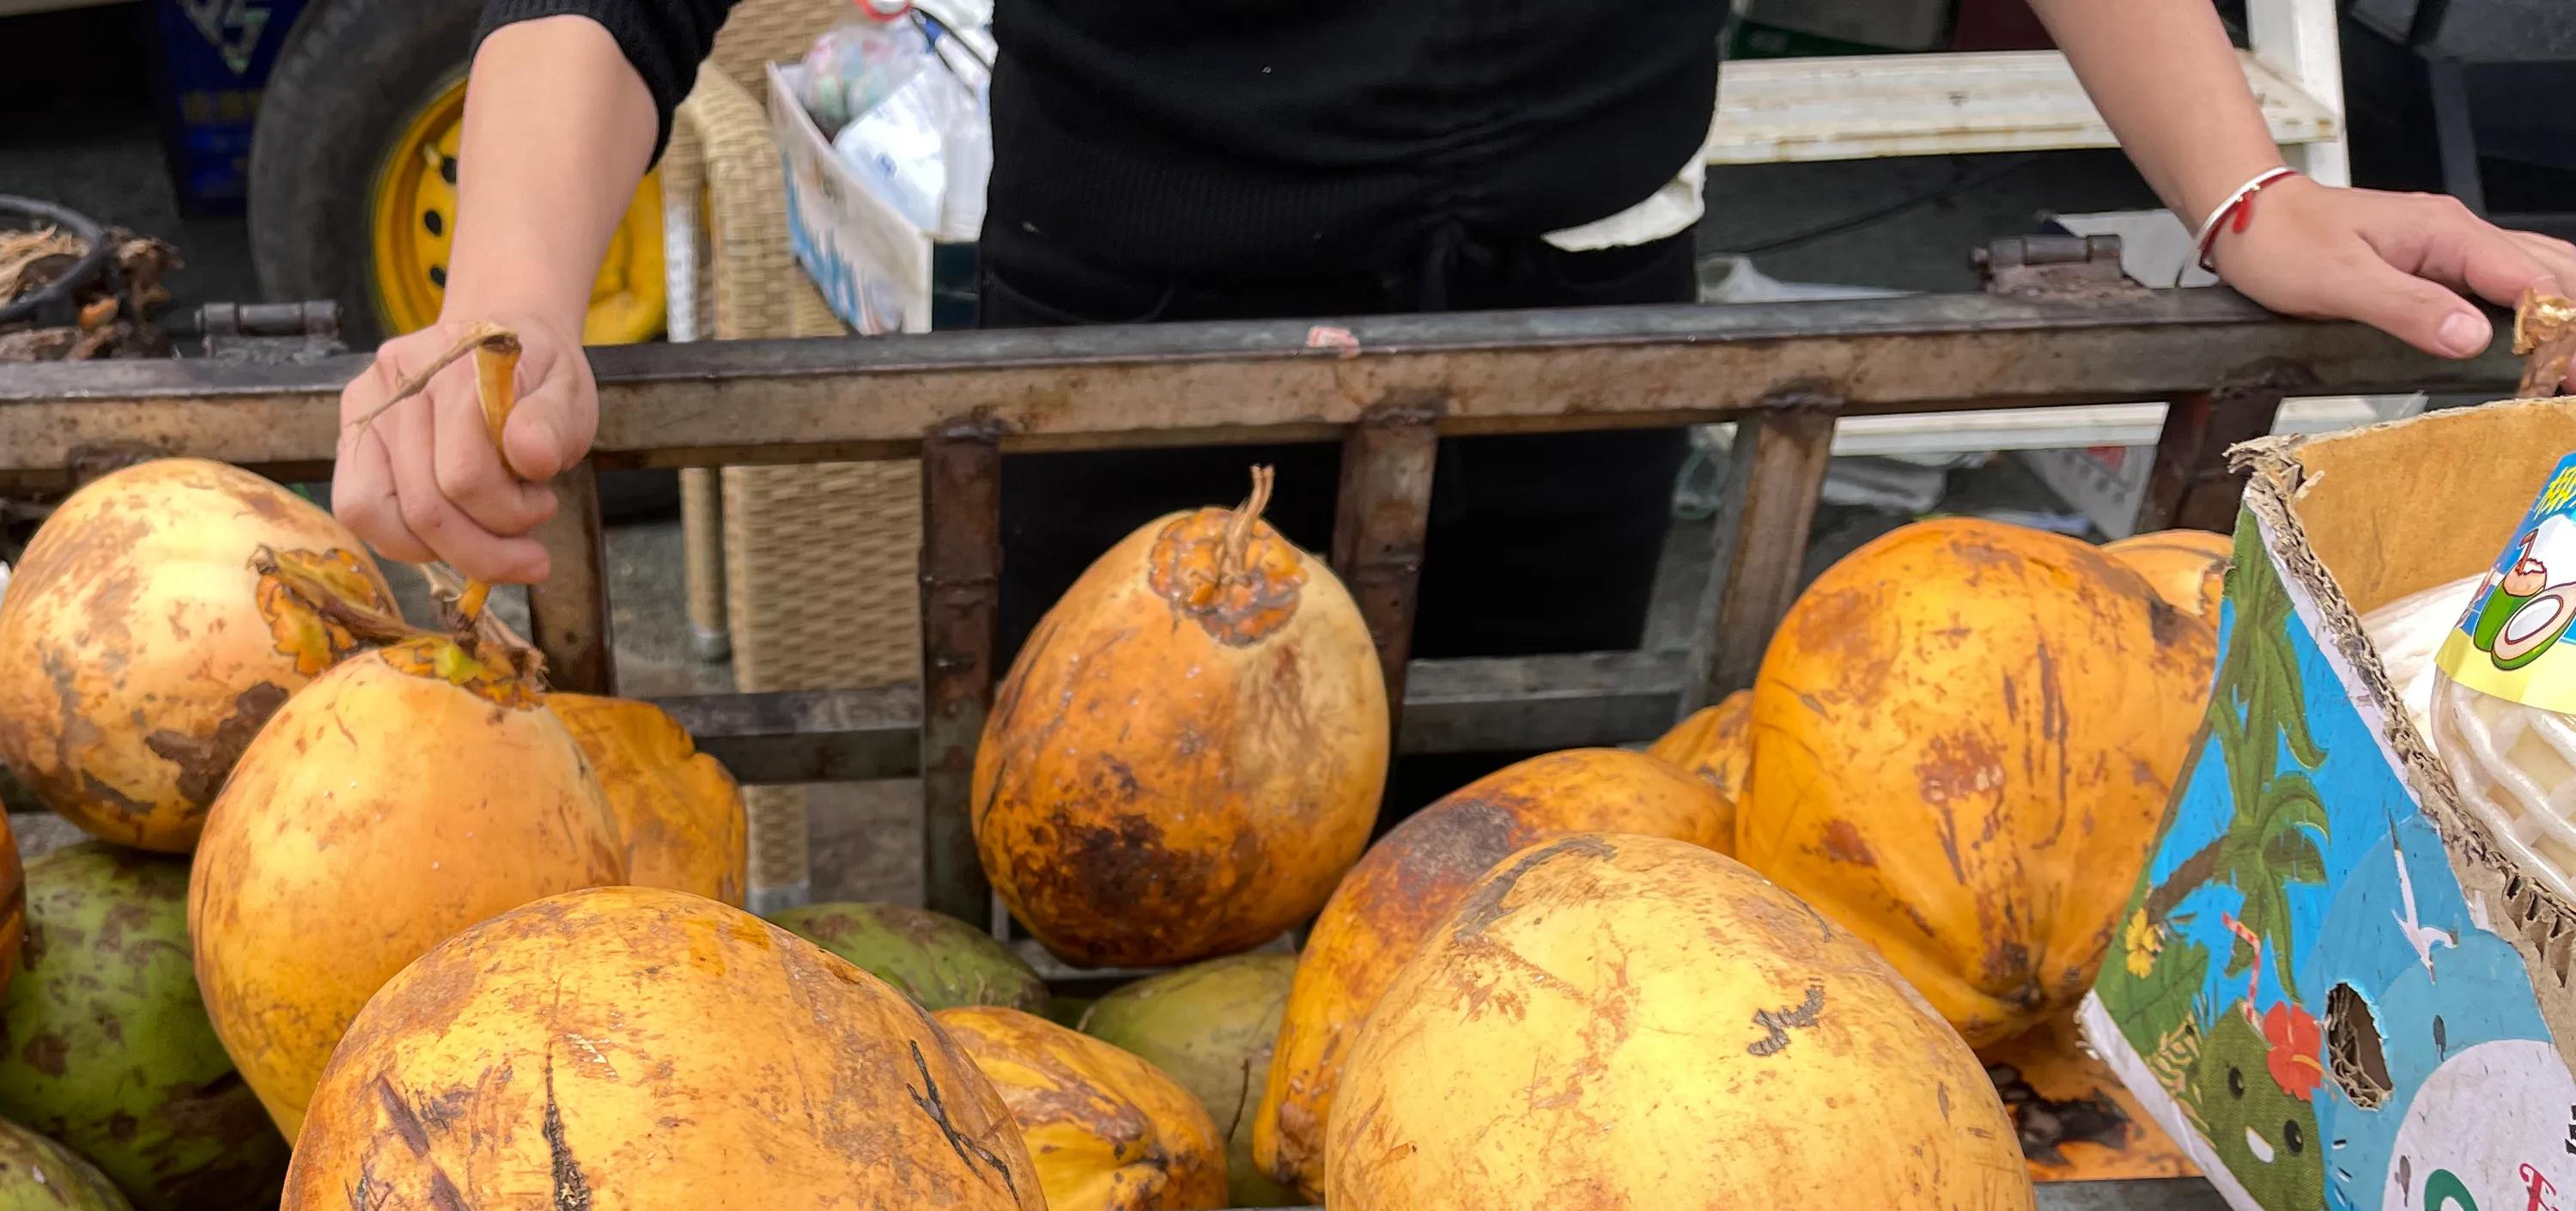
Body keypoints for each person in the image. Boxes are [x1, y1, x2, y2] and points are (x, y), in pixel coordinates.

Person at [332, 0, 2576, 682]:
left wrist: (2246, 190)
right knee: (1103, 954)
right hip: (1122, 351)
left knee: (1519, 898)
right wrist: (511, 292)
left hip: (1566, 351)